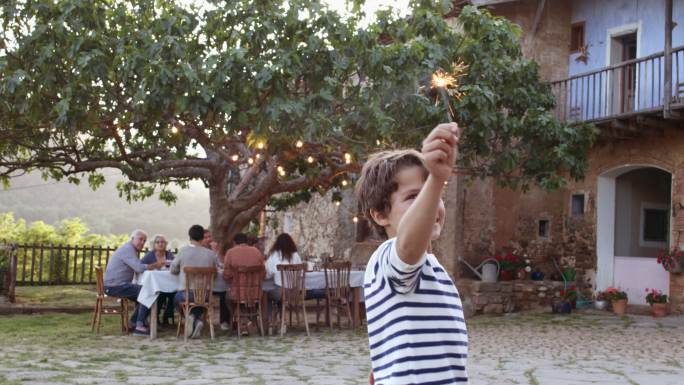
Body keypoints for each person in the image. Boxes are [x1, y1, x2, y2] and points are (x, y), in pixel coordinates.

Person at [356, 123, 468, 384]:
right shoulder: (387, 258)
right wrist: (437, 178)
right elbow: (407, 247)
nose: (432, 204)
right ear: (380, 215)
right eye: (414, 197)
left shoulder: (433, 268)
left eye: (434, 194)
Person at [103, 229, 164, 336]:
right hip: (115, 285)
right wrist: (156, 265)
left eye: (144, 240)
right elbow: (139, 268)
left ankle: (134, 322)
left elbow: (137, 267)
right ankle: (139, 326)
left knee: (145, 292)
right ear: (132, 239)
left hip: (116, 284)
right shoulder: (128, 250)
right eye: (140, 239)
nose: (142, 242)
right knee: (149, 291)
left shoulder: (129, 249)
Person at [170, 225, 217, 339]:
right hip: (206, 295)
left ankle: (190, 318)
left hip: (186, 294)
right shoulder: (211, 254)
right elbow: (214, 274)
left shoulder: (183, 251)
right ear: (202, 237)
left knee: (176, 298)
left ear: (190, 237)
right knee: (198, 301)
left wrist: (179, 270)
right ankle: (196, 320)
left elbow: (173, 270)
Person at [264, 233, 302, 323]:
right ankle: (282, 319)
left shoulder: (274, 255)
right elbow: (301, 273)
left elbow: (268, 274)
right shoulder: (296, 255)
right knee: (279, 293)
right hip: (295, 292)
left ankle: (269, 320)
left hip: (281, 292)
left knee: (266, 295)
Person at [141, 234, 175, 326]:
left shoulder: (169, 254)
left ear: (166, 244)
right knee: (160, 294)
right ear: (154, 244)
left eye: (162, 242)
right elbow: (140, 267)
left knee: (176, 294)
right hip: (154, 284)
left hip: (169, 282)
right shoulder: (149, 255)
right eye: (158, 242)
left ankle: (167, 315)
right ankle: (155, 317)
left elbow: (175, 266)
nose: (160, 244)